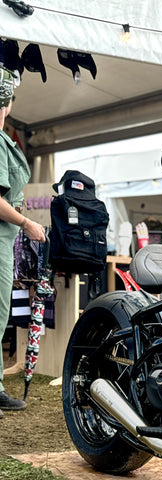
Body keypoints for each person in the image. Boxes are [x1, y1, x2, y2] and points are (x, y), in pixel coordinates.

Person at [0, 67, 45, 417]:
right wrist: (27, 222)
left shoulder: (4, 139)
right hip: (3, 232)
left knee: (0, 315)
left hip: (5, 236)